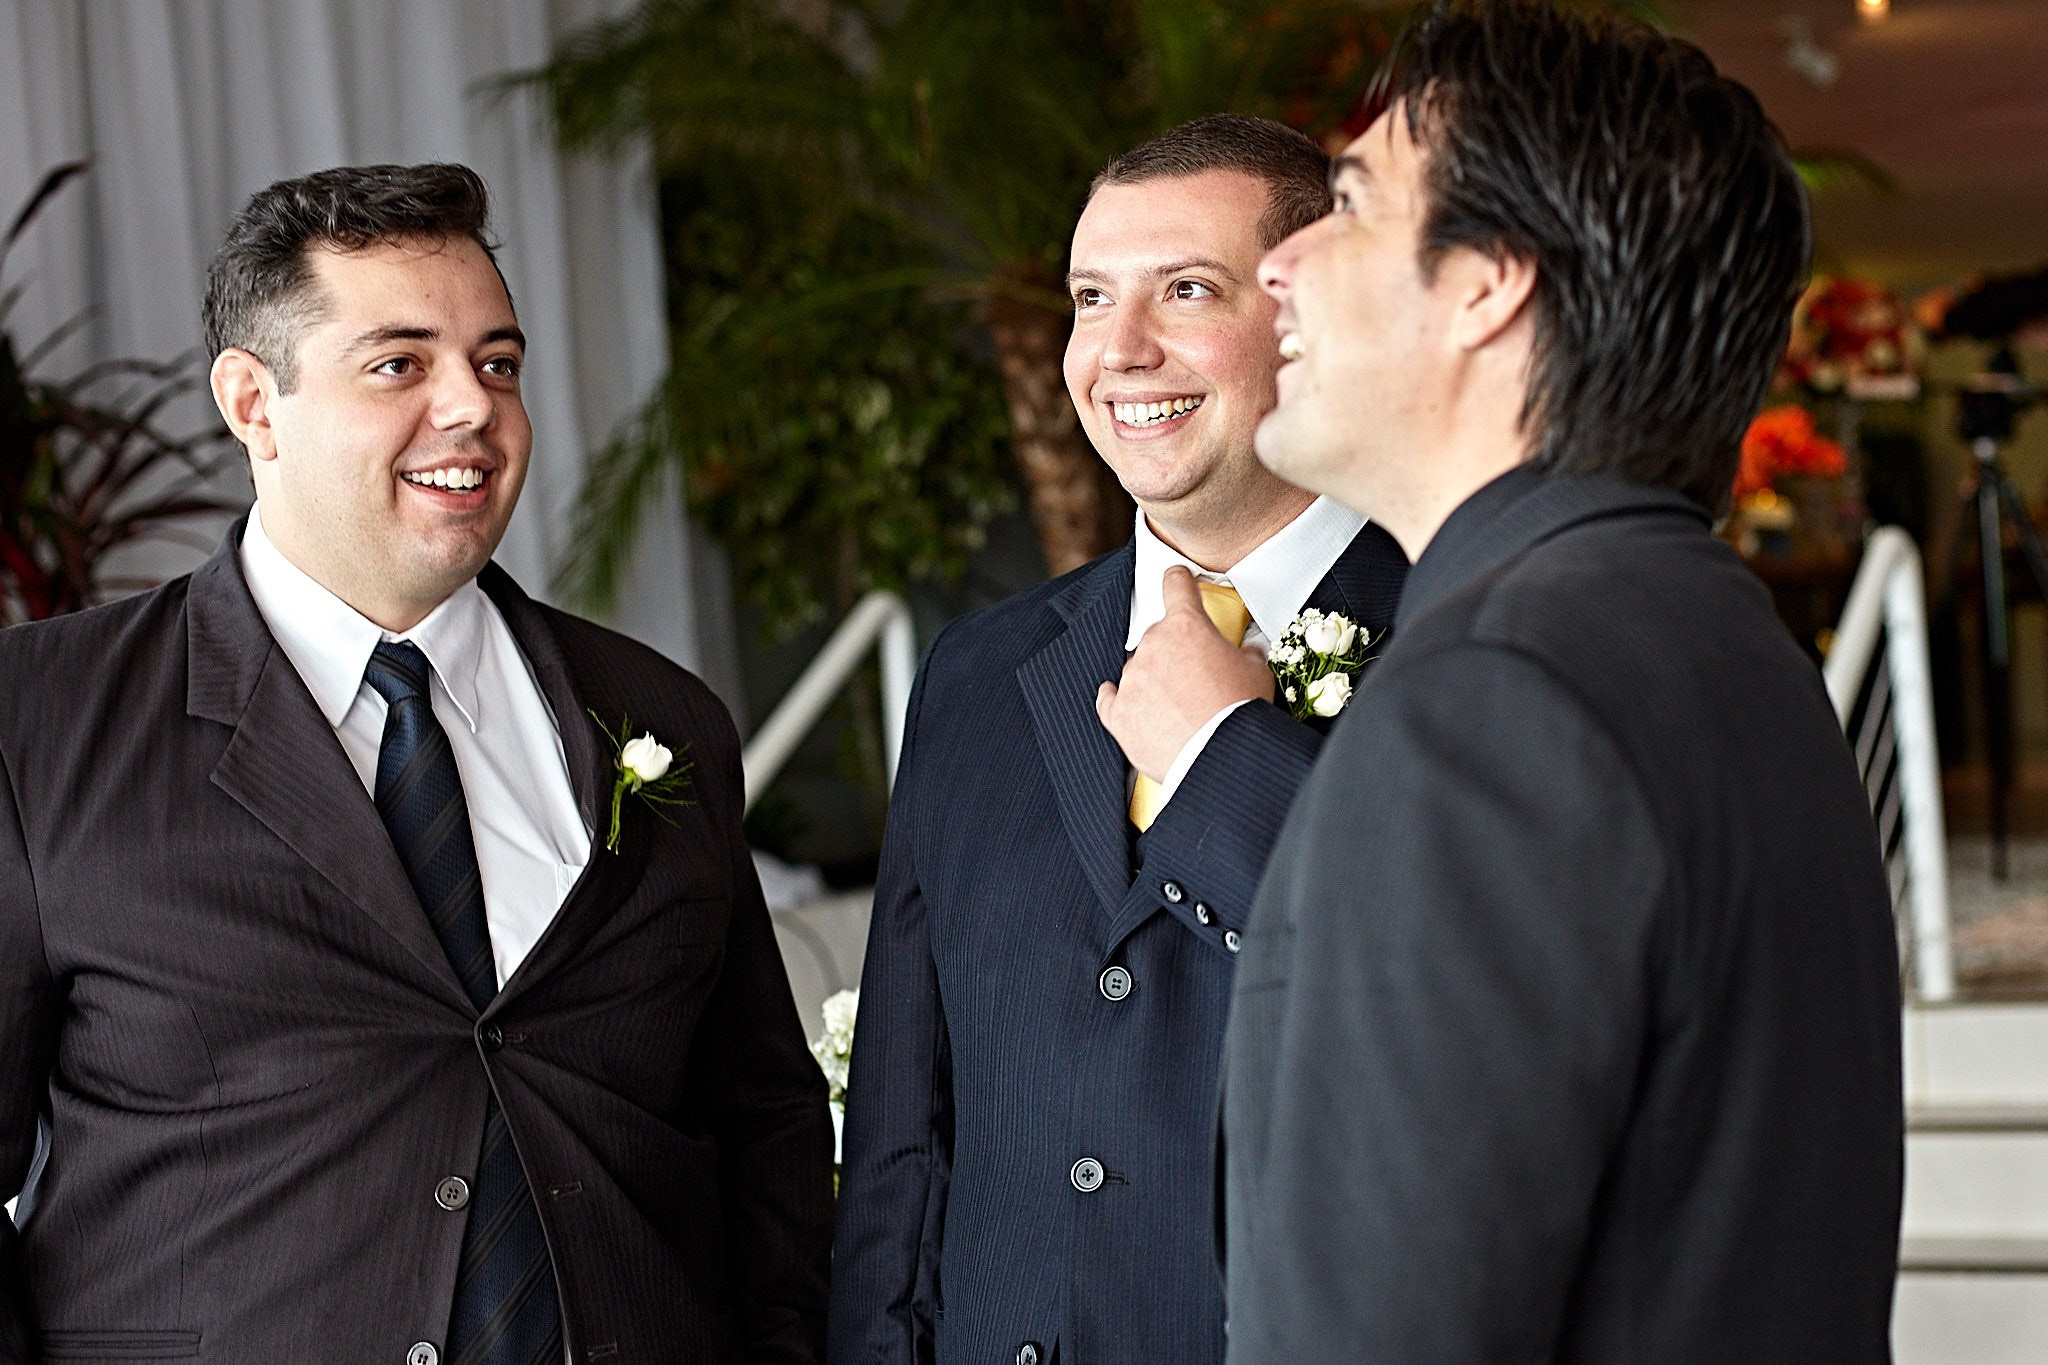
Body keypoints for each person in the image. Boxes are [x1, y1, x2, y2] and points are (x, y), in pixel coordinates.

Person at [1108, 4, 1906, 1359]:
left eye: (1349, 203)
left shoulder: (1495, 691)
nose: (1283, 264)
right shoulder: (1725, 645)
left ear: (1490, 280)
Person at [0, 163, 832, 1363]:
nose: (471, 409)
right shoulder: (37, 725)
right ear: (253, 403)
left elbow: (759, 1123)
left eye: (497, 363)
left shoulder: (662, 715)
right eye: (399, 364)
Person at [828, 116, 1408, 1364]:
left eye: (1185, 291)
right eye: (1092, 299)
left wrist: (1226, 753)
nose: (1120, 351)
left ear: (1303, 318)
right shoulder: (978, 673)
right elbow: (901, 1129)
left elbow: (1453, 1008)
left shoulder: (1464, 640)